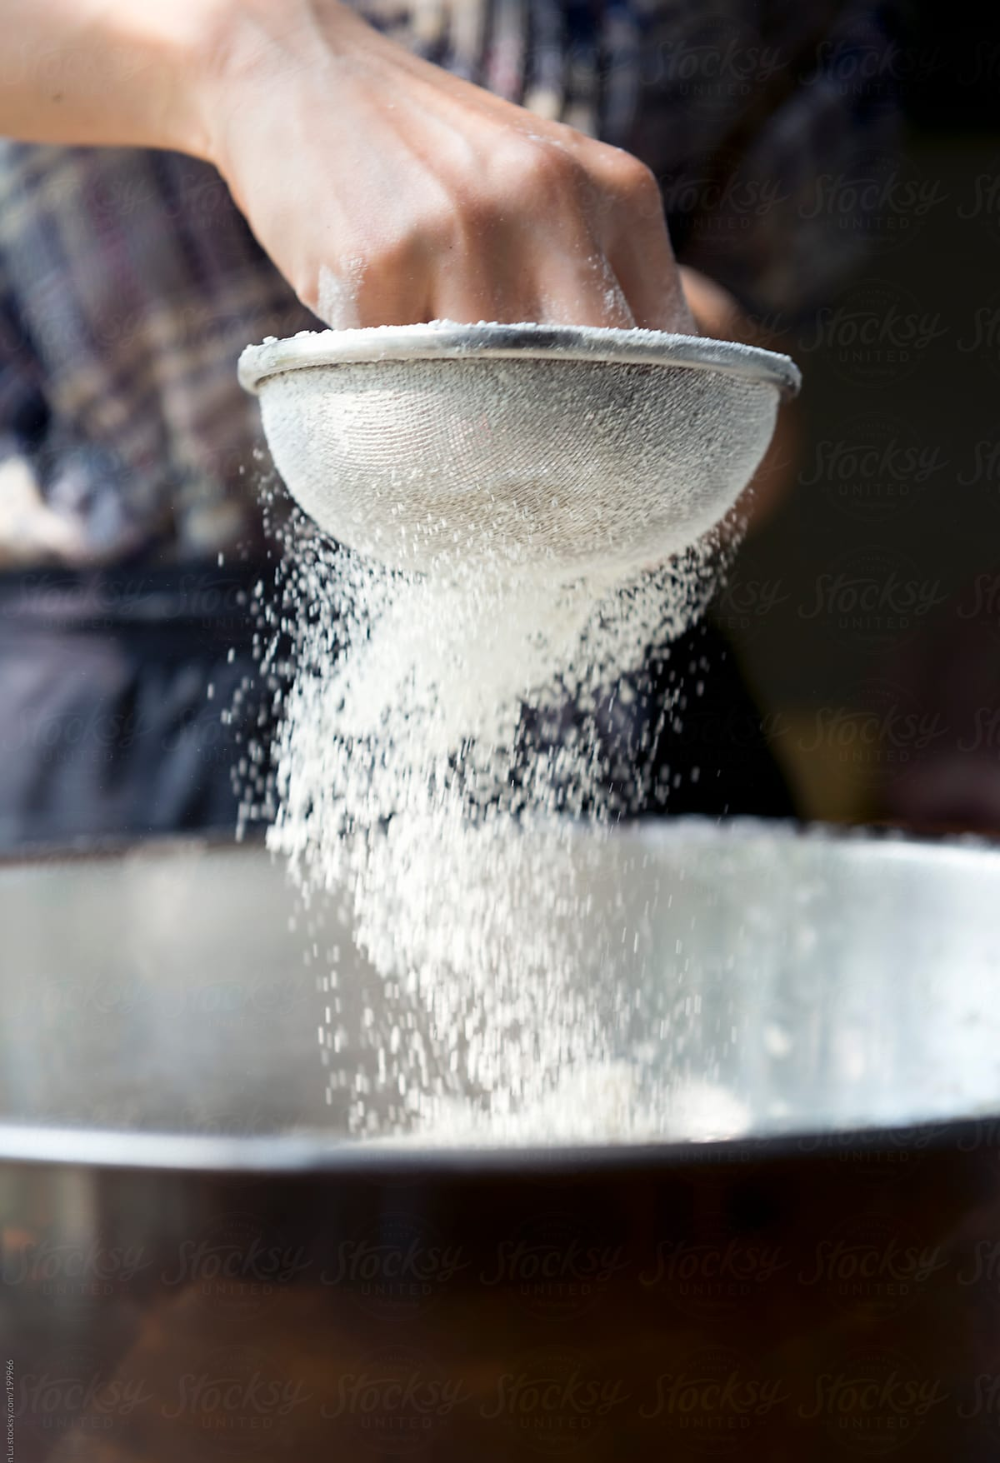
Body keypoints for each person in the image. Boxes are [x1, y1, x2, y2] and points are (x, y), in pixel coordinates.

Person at [0, 0, 901, 844]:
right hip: (115, 725)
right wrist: (252, 55)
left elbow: (760, 398)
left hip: (608, 681)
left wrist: (633, 402)